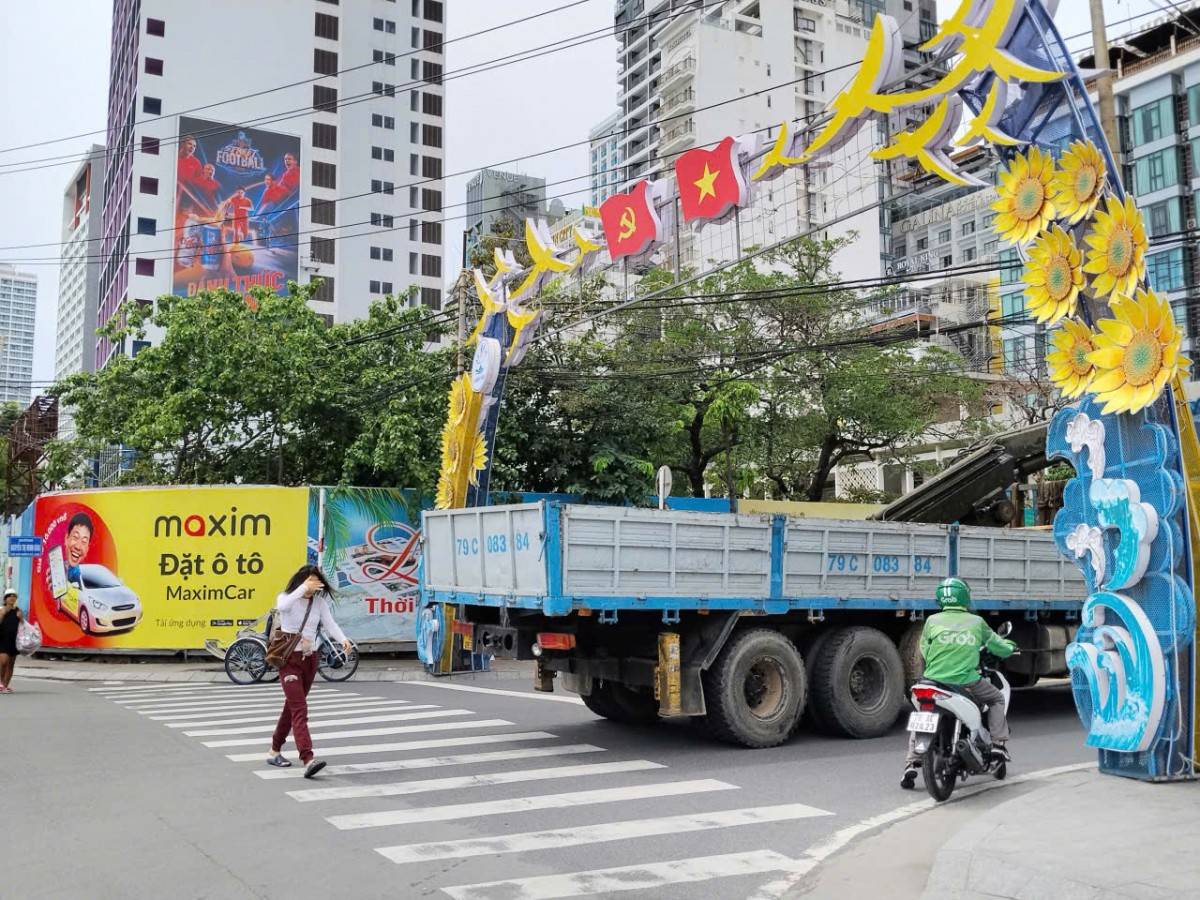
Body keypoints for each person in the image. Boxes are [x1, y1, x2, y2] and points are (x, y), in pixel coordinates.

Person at [901, 577, 1016, 790]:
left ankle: (910, 763)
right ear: (965, 596)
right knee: (996, 698)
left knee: (924, 715)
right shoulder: (976, 622)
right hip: (965, 682)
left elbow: (925, 650)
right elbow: (999, 647)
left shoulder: (931, 621)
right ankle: (999, 745)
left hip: (932, 681)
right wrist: (1010, 646)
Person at [267, 565, 352, 778]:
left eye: (316, 582)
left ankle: (275, 750)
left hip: (310, 659)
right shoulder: (287, 597)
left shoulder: (319, 603)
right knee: (299, 709)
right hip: (289, 660)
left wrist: (343, 639)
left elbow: (329, 623)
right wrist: (302, 587)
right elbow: (283, 606)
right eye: (309, 582)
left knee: (292, 707)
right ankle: (307, 758)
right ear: (302, 580)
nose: (313, 587)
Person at [0, 588, 24, 693]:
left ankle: (5, 685)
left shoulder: (18, 610)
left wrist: (21, 618)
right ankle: (0, 683)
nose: (12, 598)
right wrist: (2, 614)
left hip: (14, 640)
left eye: (14, 596)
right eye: (9, 596)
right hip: (2, 639)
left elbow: (23, 625)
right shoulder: (1, 609)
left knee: (11, 664)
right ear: (5, 599)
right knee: (3, 661)